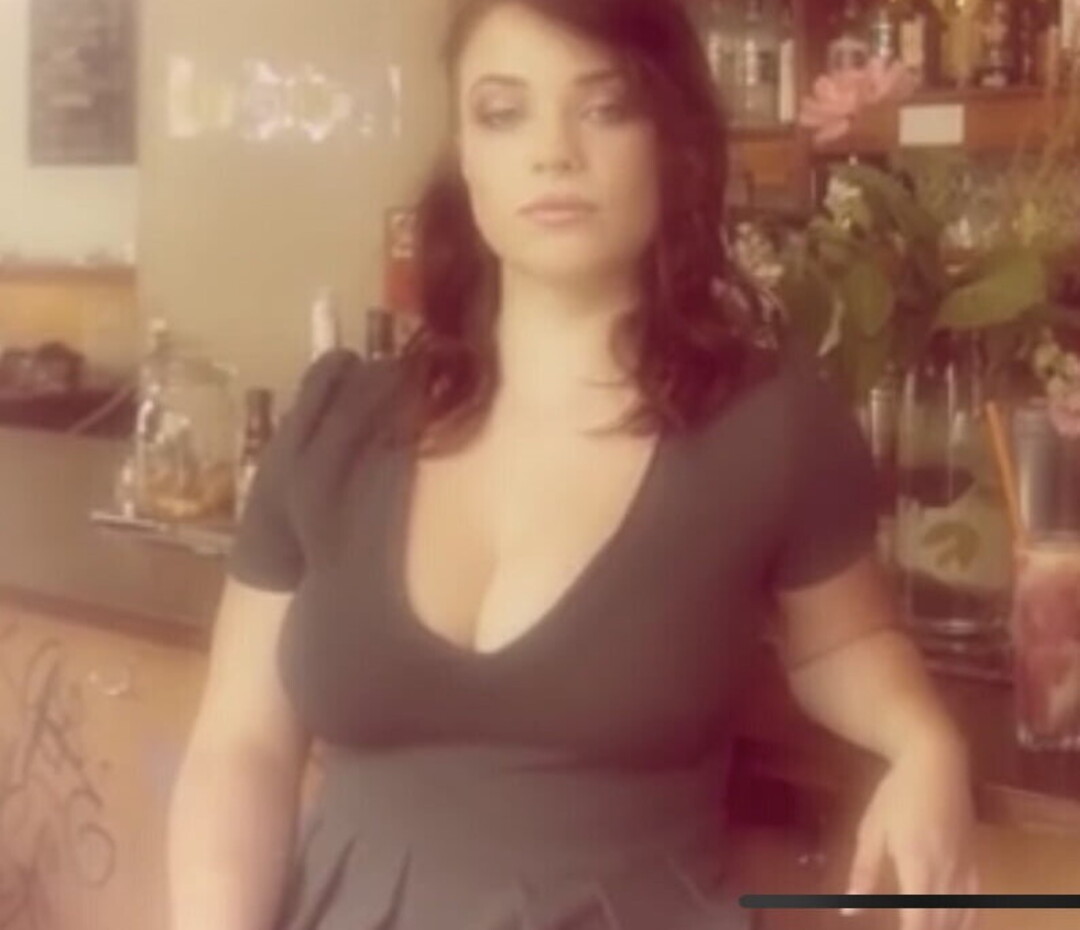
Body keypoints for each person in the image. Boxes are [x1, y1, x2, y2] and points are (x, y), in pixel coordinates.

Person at [167, 1, 979, 928]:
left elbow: (842, 643)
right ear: (465, 154)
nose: (553, 152)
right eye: (504, 112)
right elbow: (240, 747)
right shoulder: (335, 424)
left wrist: (925, 743)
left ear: (670, 139)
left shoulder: (768, 423)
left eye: (605, 107)